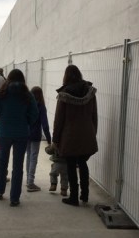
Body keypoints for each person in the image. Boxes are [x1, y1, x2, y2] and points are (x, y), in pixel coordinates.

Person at [0, 69, 38, 207]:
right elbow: (35, 113)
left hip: (4, 132)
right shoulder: (27, 94)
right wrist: (27, 121)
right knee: (18, 165)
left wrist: (0, 115)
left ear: (8, 78)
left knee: (2, 162)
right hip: (22, 132)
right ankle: (14, 198)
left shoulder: (3, 92)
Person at [52, 64, 98, 207]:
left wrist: (55, 139)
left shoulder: (64, 94)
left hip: (69, 136)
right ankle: (85, 195)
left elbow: (59, 119)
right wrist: (93, 132)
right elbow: (94, 115)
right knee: (83, 164)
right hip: (87, 134)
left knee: (71, 165)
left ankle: (73, 197)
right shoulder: (90, 92)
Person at [25, 86, 51, 192]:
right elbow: (45, 125)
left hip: (26, 134)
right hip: (35, 135)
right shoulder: (41, 106)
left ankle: (28, 180)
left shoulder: (27, 105)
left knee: (28, 156)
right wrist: (49, 139)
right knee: (33, 158)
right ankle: (30, 182)